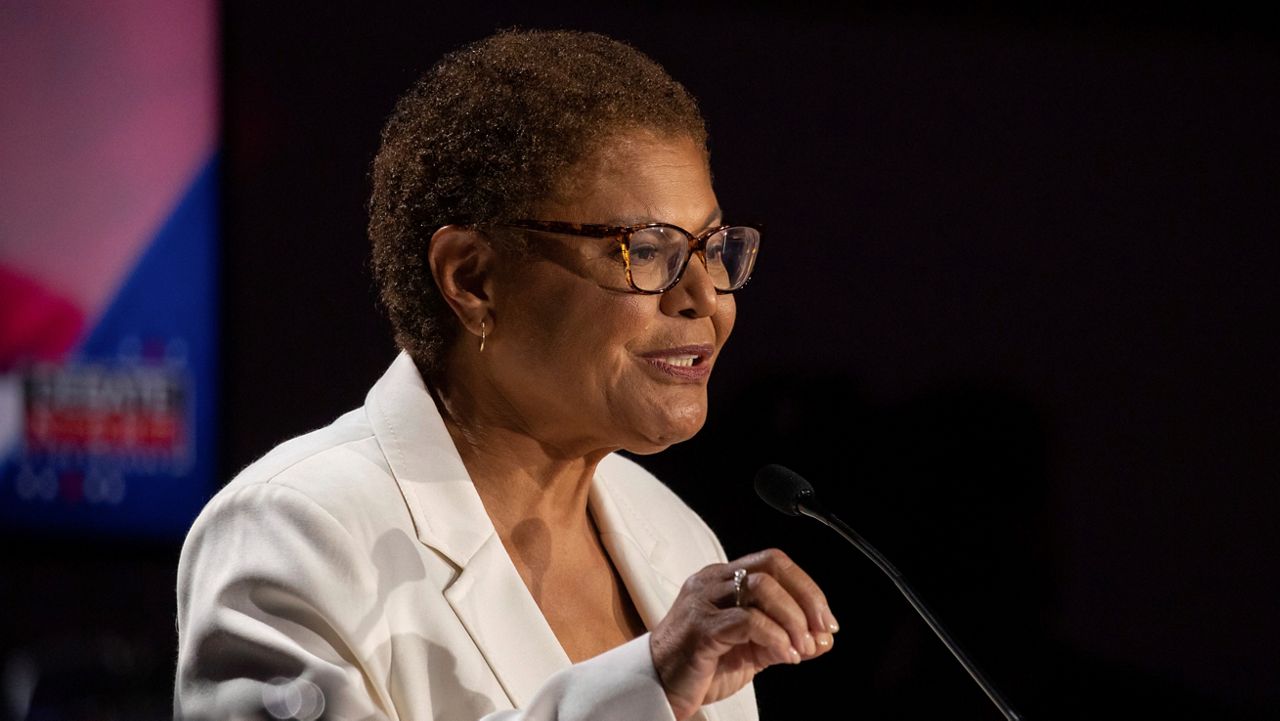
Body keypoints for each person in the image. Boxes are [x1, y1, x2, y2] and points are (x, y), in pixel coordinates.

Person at [175, 29, 837, 721]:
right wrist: (646, 684)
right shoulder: (296, 533)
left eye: (710, 247)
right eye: (646, 249)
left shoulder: (677, 541)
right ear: (472, 277)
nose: (702, 296)